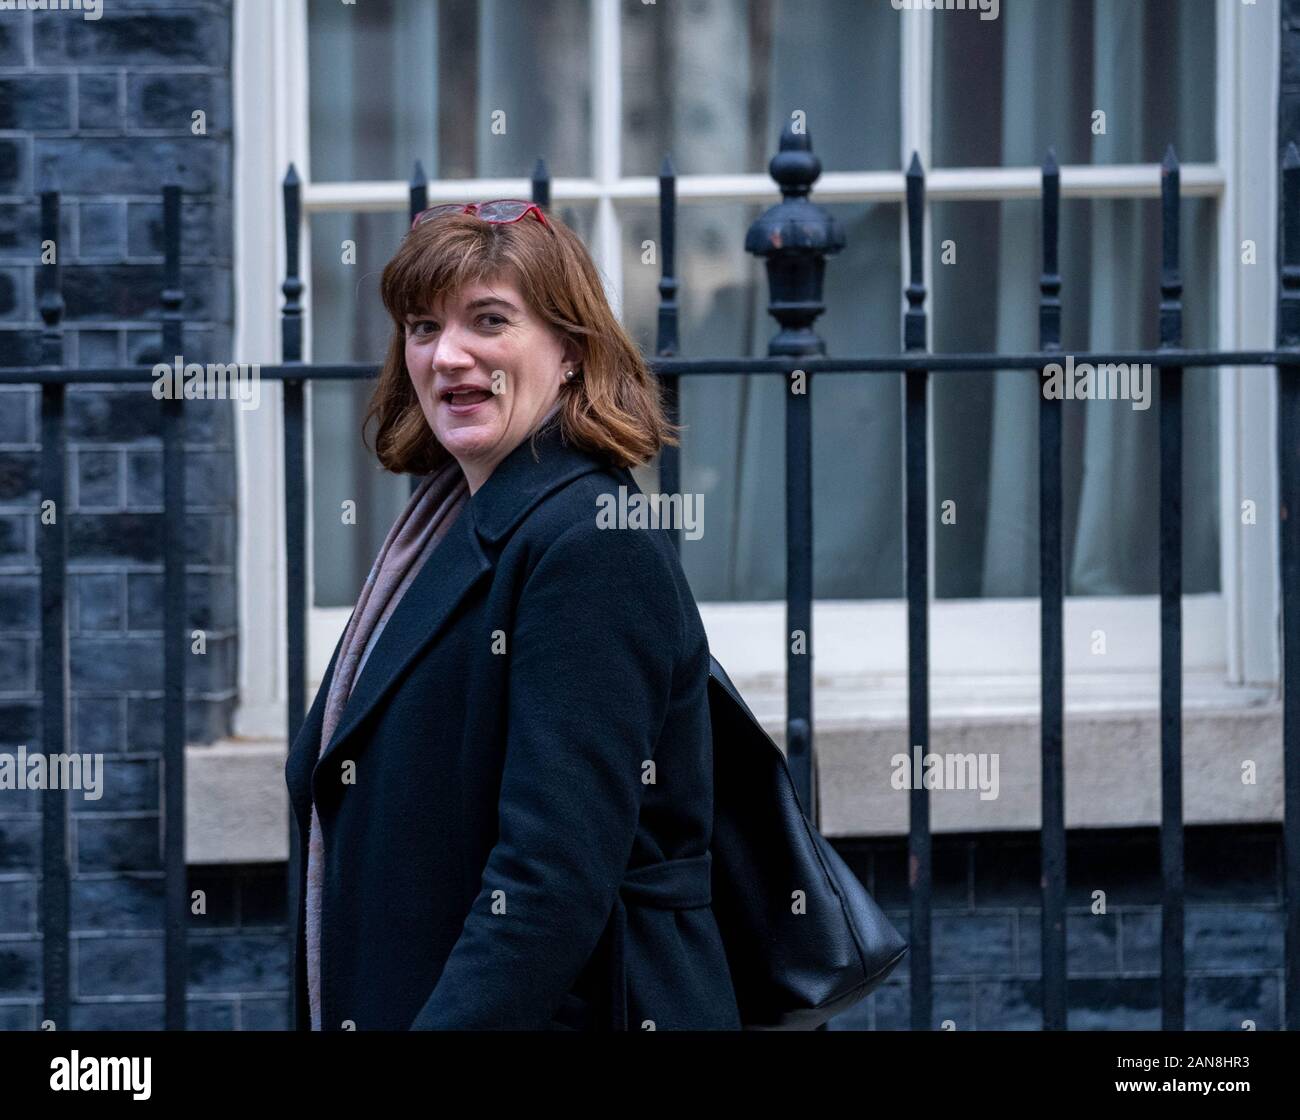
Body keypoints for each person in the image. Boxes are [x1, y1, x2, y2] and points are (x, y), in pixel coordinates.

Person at [284, 199, 742, 1031]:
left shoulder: (588, 545)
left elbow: (549, 881)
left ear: (569, 351)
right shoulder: (439, 532)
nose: (448, 355)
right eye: (423, 328)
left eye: (489, 321)